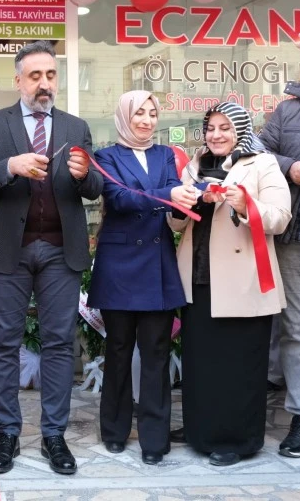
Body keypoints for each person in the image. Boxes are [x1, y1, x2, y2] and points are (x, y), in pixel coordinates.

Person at [0, 40, 103, 475]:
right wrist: (10, 166)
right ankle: (7, 434)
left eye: (50, 75)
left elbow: (94, 188)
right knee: (4, 342)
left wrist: (86, 177)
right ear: (18, 80)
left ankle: (53, 435)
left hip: (61, 250)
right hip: (10, 249)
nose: (44, 84)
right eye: (35, 76)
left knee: (60, 343)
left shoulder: (75, 126)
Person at [169, 101, 291, 466]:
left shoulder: (263, 162)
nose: (216, 134)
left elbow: (280, 217)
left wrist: (243, 204)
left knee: (239, 366)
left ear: (240, 129)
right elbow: (176, 224)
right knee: (201, 363)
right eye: (210, 128)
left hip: (243, 283)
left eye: (224, 127)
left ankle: (237, 439)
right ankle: (199, 429)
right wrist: (184, 202)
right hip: (199, 279)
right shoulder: (194, 165)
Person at [87, 91, 196, 465]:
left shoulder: (165, 155)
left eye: (152, 114)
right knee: (117, 351)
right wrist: (168, 193)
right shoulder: (105, 157)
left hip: (157, 263)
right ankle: (114, 431)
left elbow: (160, 199)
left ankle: (154, 436)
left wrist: (169, 195)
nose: (147, 120)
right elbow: (120, 198)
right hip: (119, 264)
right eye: (139, 114)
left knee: (156, 353)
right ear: (124, 117)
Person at [259, 67, 300, 458]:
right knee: (298, 328)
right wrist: (288, 166)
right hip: (298, 235)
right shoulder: (288, 110)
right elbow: (258, 151)